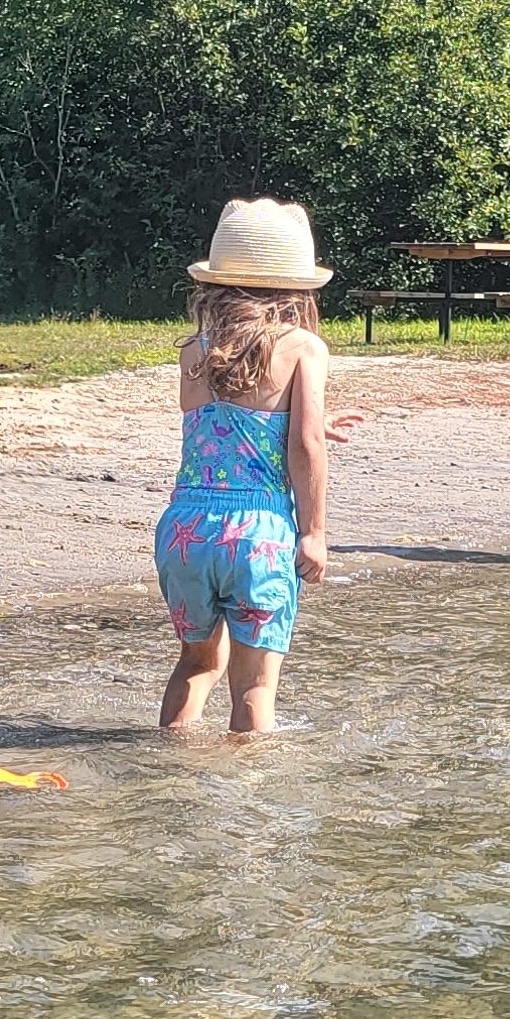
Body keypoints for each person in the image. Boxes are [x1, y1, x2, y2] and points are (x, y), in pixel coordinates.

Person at [155, 198, 332, 734]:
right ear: (295, 287)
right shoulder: (302, 345)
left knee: (197, 664)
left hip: (186, 529)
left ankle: (169, 773)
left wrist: (310, 422)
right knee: (255, 687)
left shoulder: (195, 349)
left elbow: (221, 433)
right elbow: (303, 446)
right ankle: (249, 805)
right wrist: (315, 532)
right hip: (258, 534)